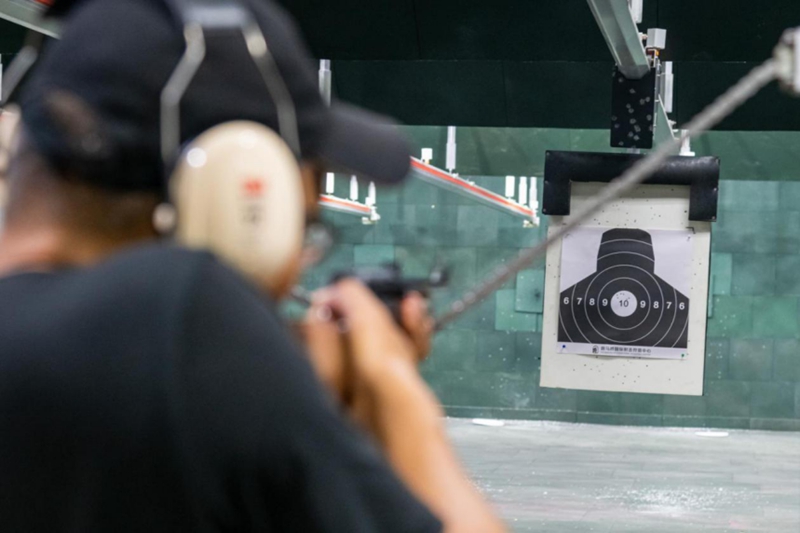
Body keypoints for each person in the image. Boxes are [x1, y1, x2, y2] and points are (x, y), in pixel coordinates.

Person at [0, 0, 507, 532]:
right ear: (231, 202)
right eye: (303, 224)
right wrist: (394, 393)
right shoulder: (183, 315)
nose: (296, 263)